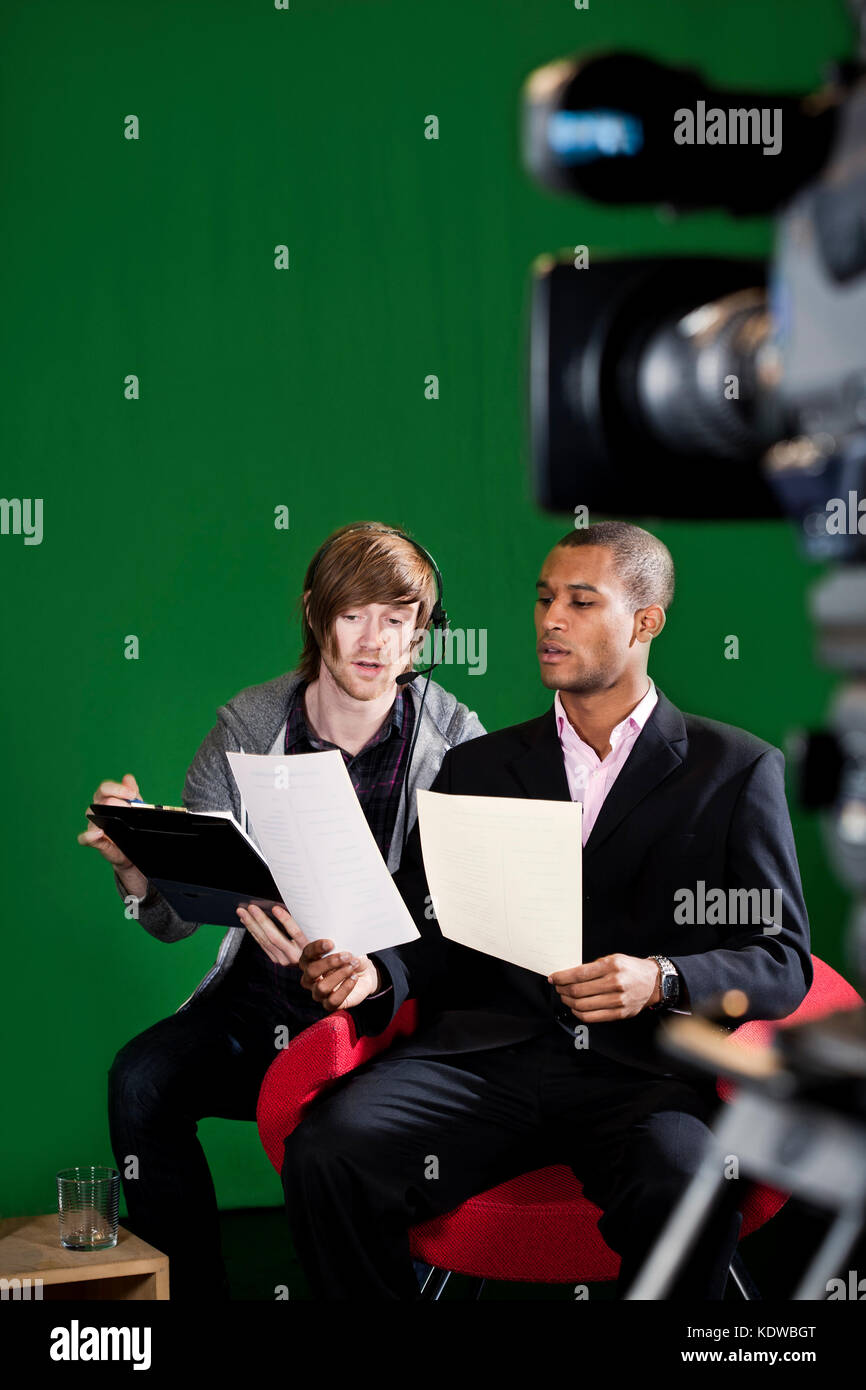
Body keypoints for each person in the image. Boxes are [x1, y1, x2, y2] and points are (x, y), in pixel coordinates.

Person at [282, 519, 812, 1300]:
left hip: (644, 1077)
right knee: (330, 1150)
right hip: (487, 1060)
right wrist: (376, 972)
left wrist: (662, 977)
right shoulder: (478, 765)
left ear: (646, 621)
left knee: (686, 1187)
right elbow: (432, 931)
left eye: (581, 602)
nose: (550, 620)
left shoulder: (733, 769)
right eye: (543, 600)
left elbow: (781, 958)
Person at [78, 521, 485, 1300]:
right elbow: (174, 919)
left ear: (422, 634)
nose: (375, 641)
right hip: (262, 1002)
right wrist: (135, 865)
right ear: (314, 614)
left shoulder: (458, 744)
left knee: (348, 1152)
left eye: (399, 619)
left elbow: (466, 926)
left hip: (388, 1017)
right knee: (141, 1080)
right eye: (354, 614)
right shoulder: (246, 729)